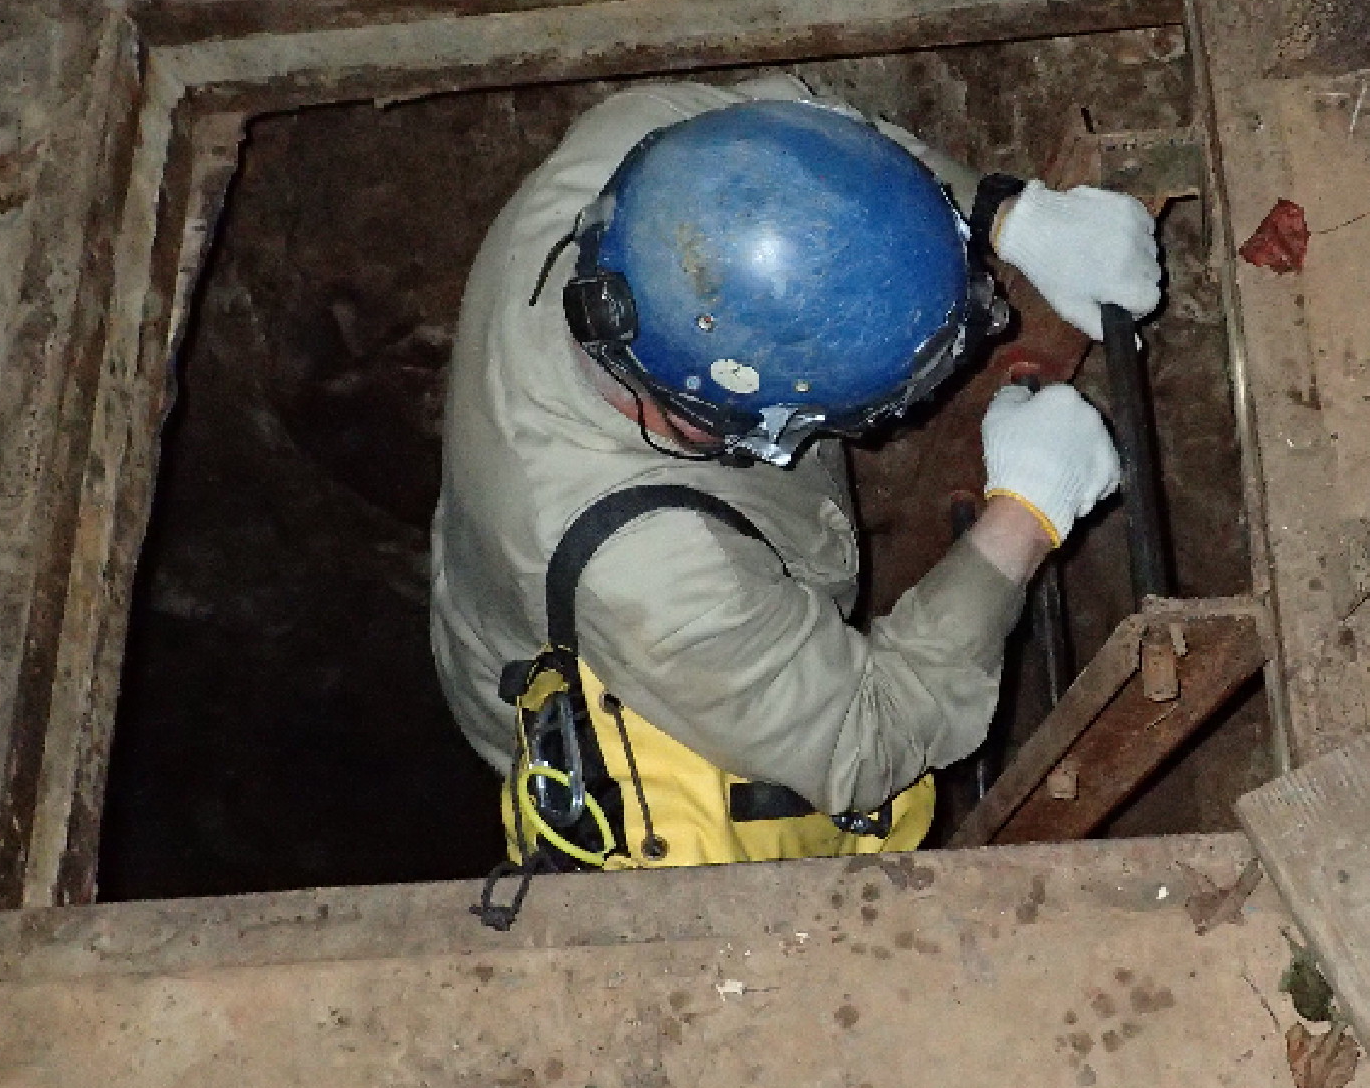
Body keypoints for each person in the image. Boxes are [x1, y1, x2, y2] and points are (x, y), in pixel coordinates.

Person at [428, 73, 1161, 872]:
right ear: (741, 422)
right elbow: (862, 739)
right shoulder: (656, 578)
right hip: (625, 679)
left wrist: (1006, 215)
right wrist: (1027, 515)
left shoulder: (633, 146)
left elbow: (810, 137)